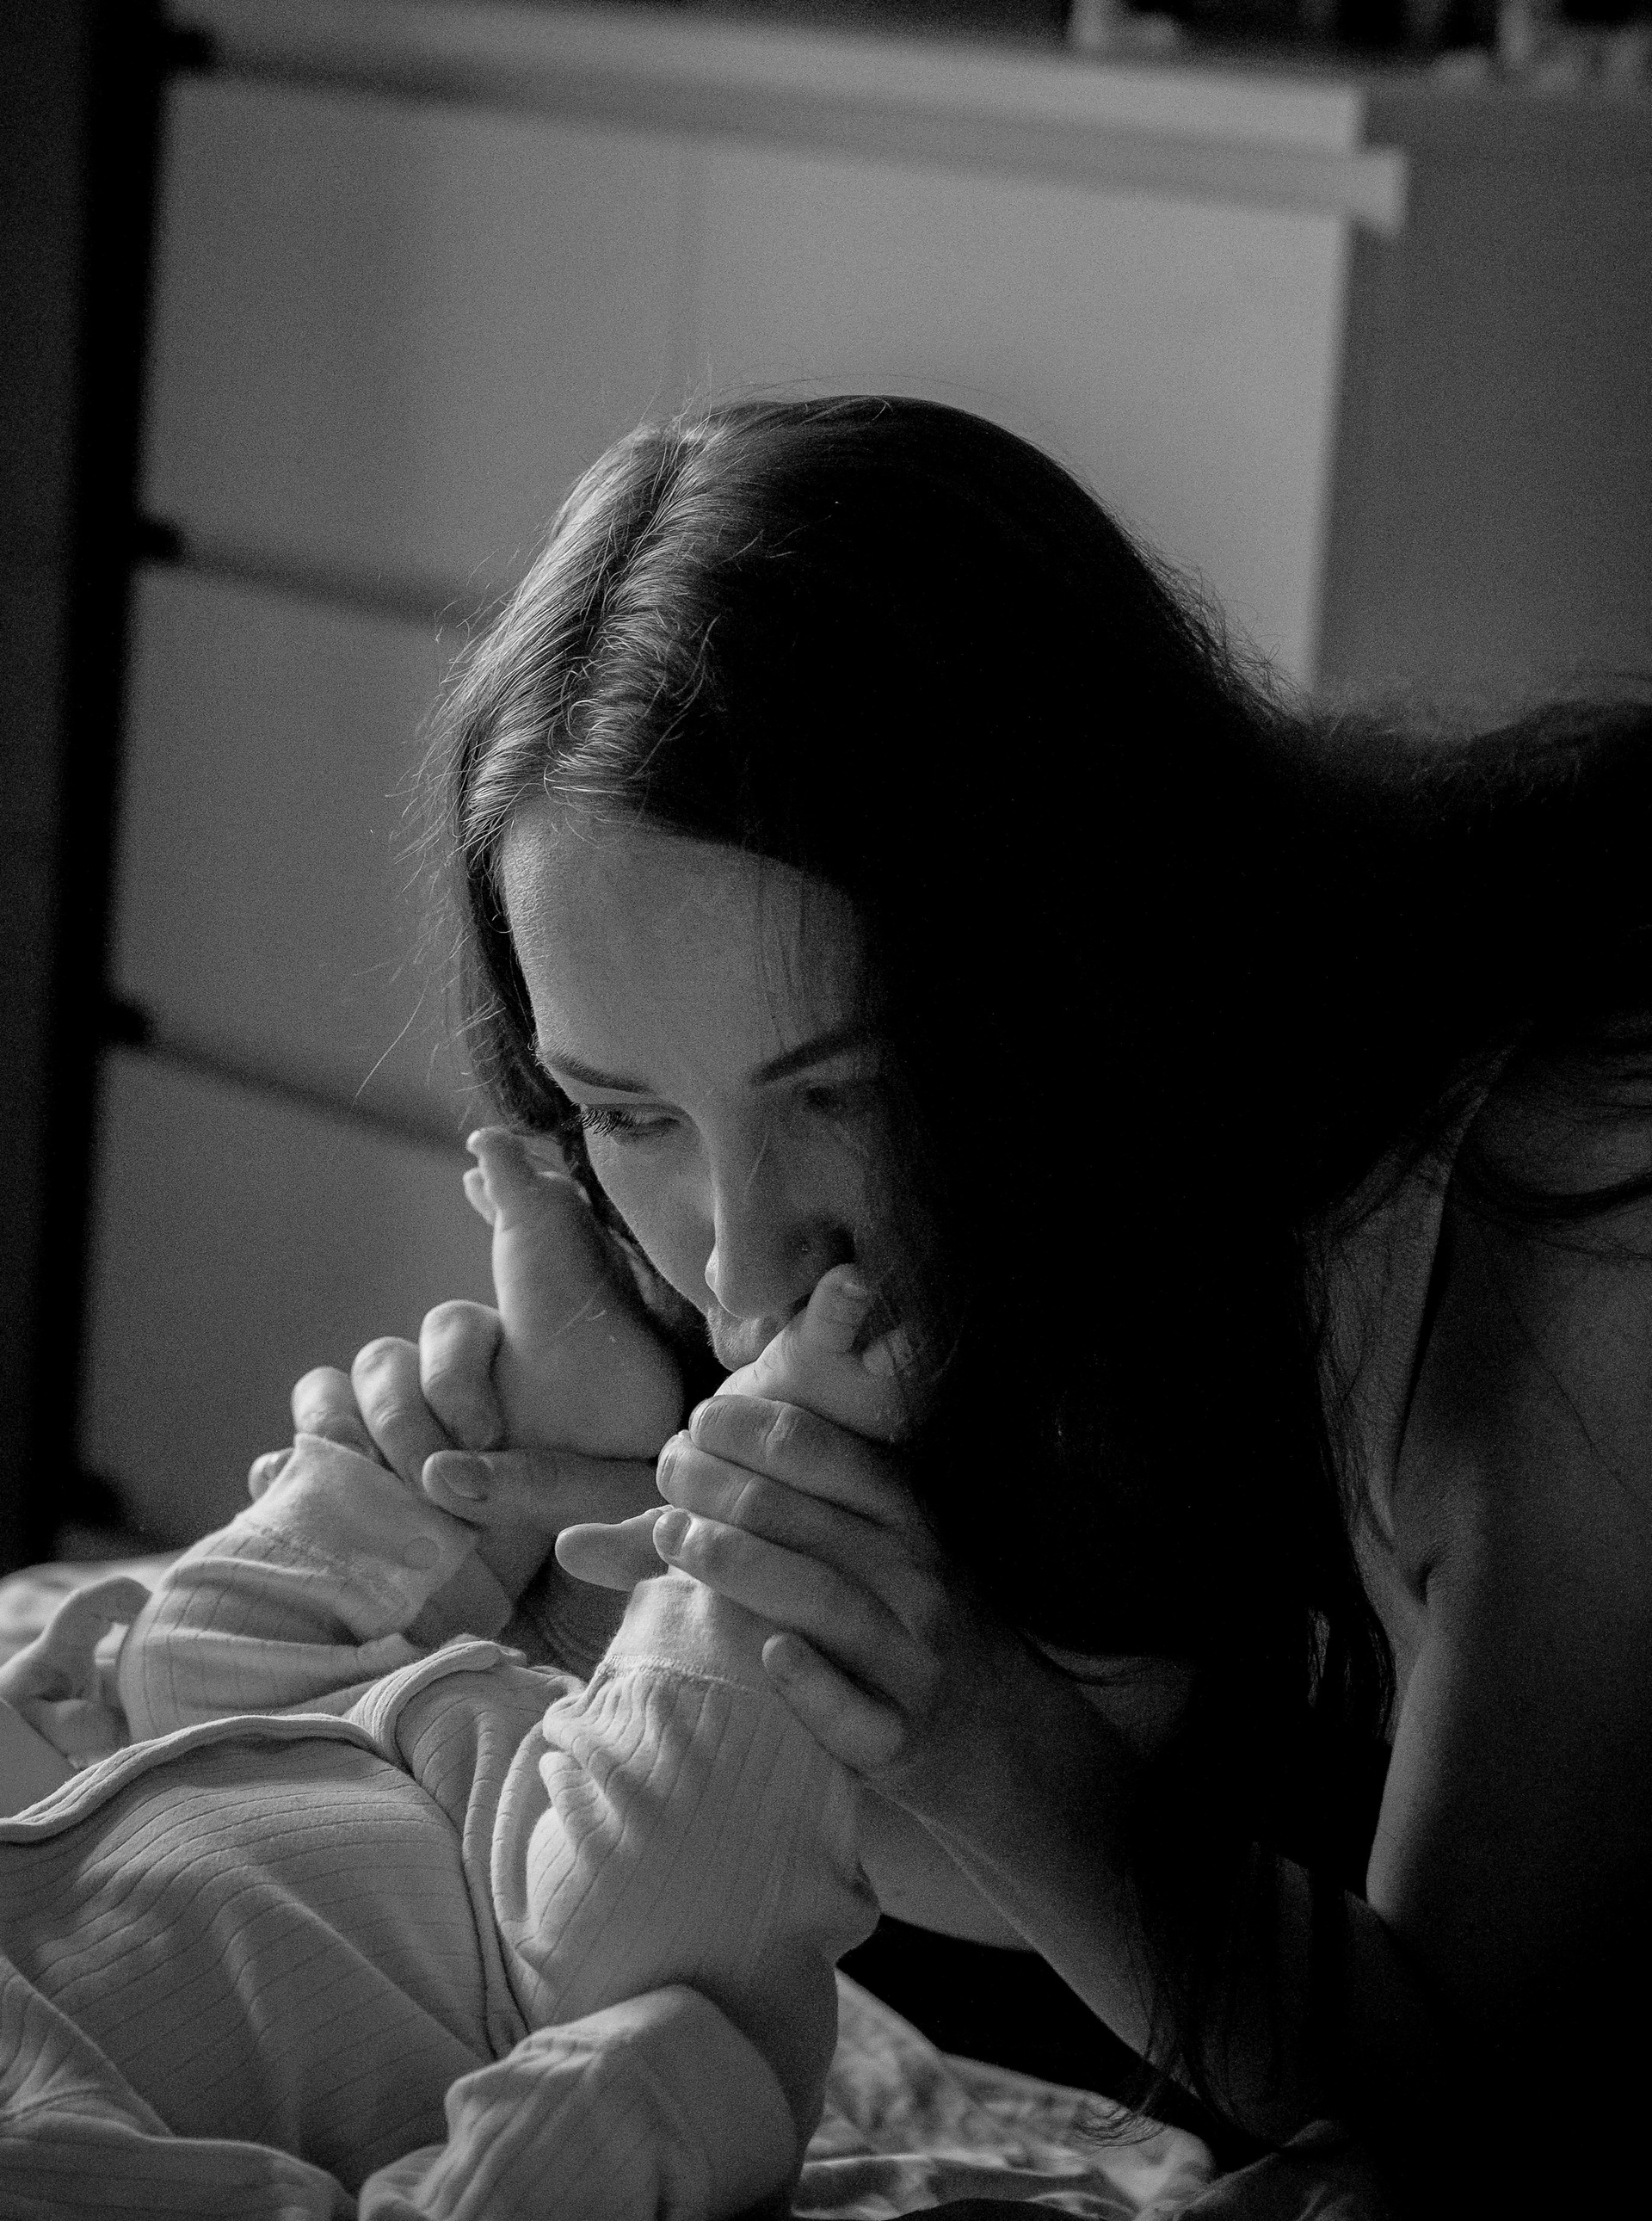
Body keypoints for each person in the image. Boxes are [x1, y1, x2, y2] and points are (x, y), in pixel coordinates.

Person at [291, 393, 1649, 2212]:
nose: (741, 1262)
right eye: (627, 1113)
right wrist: (605, 1607)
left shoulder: (1567, 1229)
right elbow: (1052, 1811)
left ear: (1073, 970)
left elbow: (1461, 2105)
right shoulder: (1059, 1230)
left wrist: (978, 1725)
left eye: (842, 1089)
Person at [0, 1124, 915, 2216]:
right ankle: (777, 1460)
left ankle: (558, 1403)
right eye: (627, 1113)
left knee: (185, 1648)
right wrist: (575, 2121)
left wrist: (45, 1735)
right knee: (645, 1915)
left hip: (278, 1761)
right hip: (521, 1990)